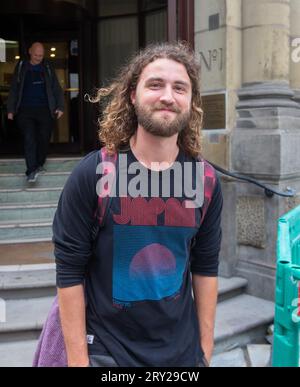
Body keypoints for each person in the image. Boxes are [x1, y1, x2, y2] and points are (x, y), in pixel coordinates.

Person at [53, 42, 223, 367]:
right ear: (133, 94)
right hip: (108, 352)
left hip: (183, 354)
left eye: (180, 88)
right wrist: (78, 361)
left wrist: (204, 350)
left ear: (191, 101)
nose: (167, 96)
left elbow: (205, 267)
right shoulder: (94, 174)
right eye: (155, 84)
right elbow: (69, 272)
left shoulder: (206, 181)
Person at [7, 42, 64, 183]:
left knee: (44, 138)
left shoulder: (47, 67)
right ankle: (31, 170)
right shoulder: (21, 67)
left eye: (41, 55)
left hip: (45, 109)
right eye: (37, 55)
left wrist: (60, 106)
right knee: (29, 138)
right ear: (30, 52)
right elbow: (14, 88)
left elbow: (56, 88)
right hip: (25, 110)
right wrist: (11, 109)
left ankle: (39, 164)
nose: (39, 58)